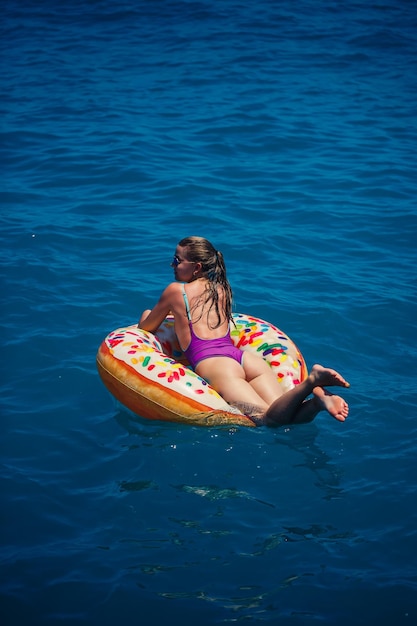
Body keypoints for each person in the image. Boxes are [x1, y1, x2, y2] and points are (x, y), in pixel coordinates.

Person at [139, 236, 349, 427]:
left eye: (177, 260)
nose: (172, 265)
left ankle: (311, 382)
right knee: (285, 414)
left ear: (196, 267)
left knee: (268, 420)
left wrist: (146, 313)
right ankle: (317, 402)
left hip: (216, 366)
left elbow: (146, 327)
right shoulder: (220, 289)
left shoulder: (175, 291)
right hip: (243, 359)